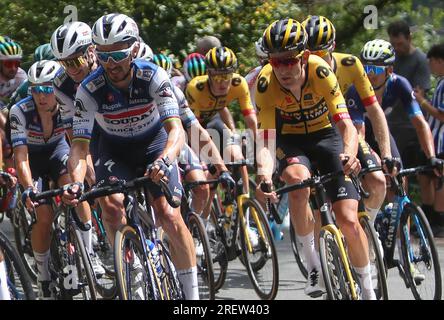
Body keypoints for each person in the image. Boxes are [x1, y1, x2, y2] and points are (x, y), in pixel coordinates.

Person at [61, 13, 198, 300]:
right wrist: (75, 182)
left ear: (134, 49)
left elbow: (177, 131)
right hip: (114, 151)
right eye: (104, 56)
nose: (111, 65)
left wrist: (165, 159)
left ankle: (192, 298)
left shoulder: (153, 76)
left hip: (154, 146)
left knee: (169, 216)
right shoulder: (89, 89)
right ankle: (131, 270)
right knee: (110, 206)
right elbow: (79, 146)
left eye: (119, 55)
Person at [254, 18, 376, 299]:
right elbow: (266, 139)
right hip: (290, 141)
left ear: (304, 56)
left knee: (348, 220)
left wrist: (350, 154)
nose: (282, 68)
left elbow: (346, 125)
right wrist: (264, 175)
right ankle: (314, 268)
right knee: (298, 182)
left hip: (326, 136)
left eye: (289, 61)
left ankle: (368, 290)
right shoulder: (265, 84)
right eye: (276, 61)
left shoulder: (320, 71)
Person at [10, 60, 94, 299]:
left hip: (58, 152)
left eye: (46, 89)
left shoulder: (68, 105)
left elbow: (76, 142)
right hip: (33, 160)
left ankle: (89, 256)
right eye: (34, 89)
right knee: (43, 217)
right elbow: (21, 157)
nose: (40, 95)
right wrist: (27, 188)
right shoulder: (20, 111)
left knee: (75, 191)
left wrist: (85, 171)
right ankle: (43, 275)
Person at [303, 15, 395, 226]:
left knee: (378, 182)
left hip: (342, 126)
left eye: (321, 53)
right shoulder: (299, 73)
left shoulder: (350, 64)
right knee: (321, 201)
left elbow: (374, 110)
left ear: (332, 46)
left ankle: (367, 230)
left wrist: (386, 153)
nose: (315, 59)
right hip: (313, 132)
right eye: (311, 54)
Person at [413, 43, 444, 237]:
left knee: (439, 179)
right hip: (433, 139)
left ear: (439, 61)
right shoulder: (440, 82)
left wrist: (421, 101)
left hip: (441, 141)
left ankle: (438, 220)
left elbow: (442, 114)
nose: (430, 67)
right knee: (425, 176)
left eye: (432, 62)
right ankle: (429, 215)